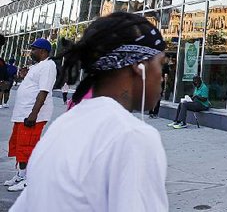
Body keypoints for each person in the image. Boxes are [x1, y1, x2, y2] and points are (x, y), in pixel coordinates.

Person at [9, 12, 168, 211]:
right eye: (161, 65)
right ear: (140, 67)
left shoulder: (64, 125)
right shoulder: (132, 136)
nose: (162, 77)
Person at [4, 39, 57, 192]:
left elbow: (43, 91)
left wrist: (34, 114)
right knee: (19, 145)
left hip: (32, 115)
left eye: (33, 49)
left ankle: (29, 179)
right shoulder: (37, 66)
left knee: (27, 146)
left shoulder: (48, 66)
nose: (31, 52)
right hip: (22, 114)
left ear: (43, 51)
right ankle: (21, 175)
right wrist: (22, 76)